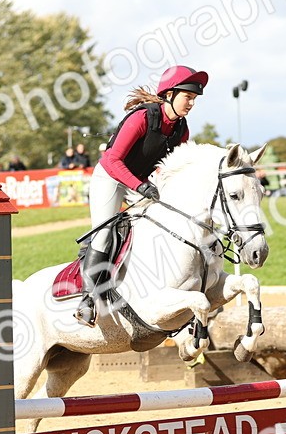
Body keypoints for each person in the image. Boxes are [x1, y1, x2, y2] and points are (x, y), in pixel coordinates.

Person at [75, 64, 206, 326]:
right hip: (111, 179)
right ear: (169, 94)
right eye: (187, 97)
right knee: (103, 234)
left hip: (140, 182)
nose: (191, 103)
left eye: (193, 99)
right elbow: (112, 160)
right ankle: (88, 301)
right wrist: (140, 185)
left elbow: (172, 167)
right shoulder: (143, 118)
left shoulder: (181, 129)